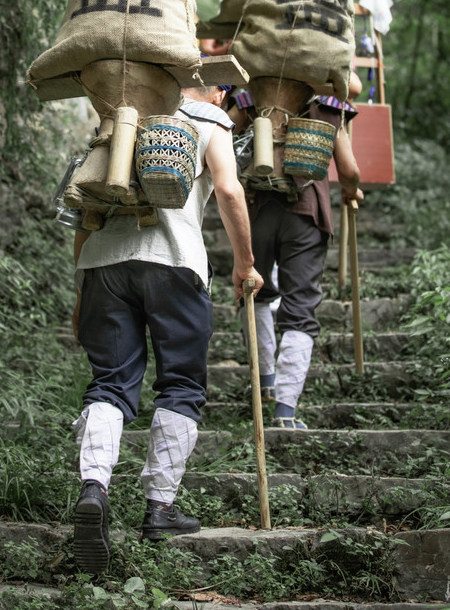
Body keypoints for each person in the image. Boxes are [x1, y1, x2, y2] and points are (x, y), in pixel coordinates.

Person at [71, 83, 262, 574]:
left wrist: (80, 291)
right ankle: (159, 507)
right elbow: (228, 189)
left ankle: (94, 489)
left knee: (110, 383)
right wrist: (245, 262)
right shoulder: (208, 118)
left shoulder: (120, 116)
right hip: (175, 264)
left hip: (102, 265)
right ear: (213, 88)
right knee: (180, 385)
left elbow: (86, 208)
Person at [229, 76, 363, 430]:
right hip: (306, 215)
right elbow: (348, 170)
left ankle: (266, 382)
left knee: (253, 292)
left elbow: (227, 146)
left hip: (256, 212)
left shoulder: (250, 98)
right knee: (300, 306)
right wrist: (351, 191)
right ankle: (286, 412)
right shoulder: (329, 108)